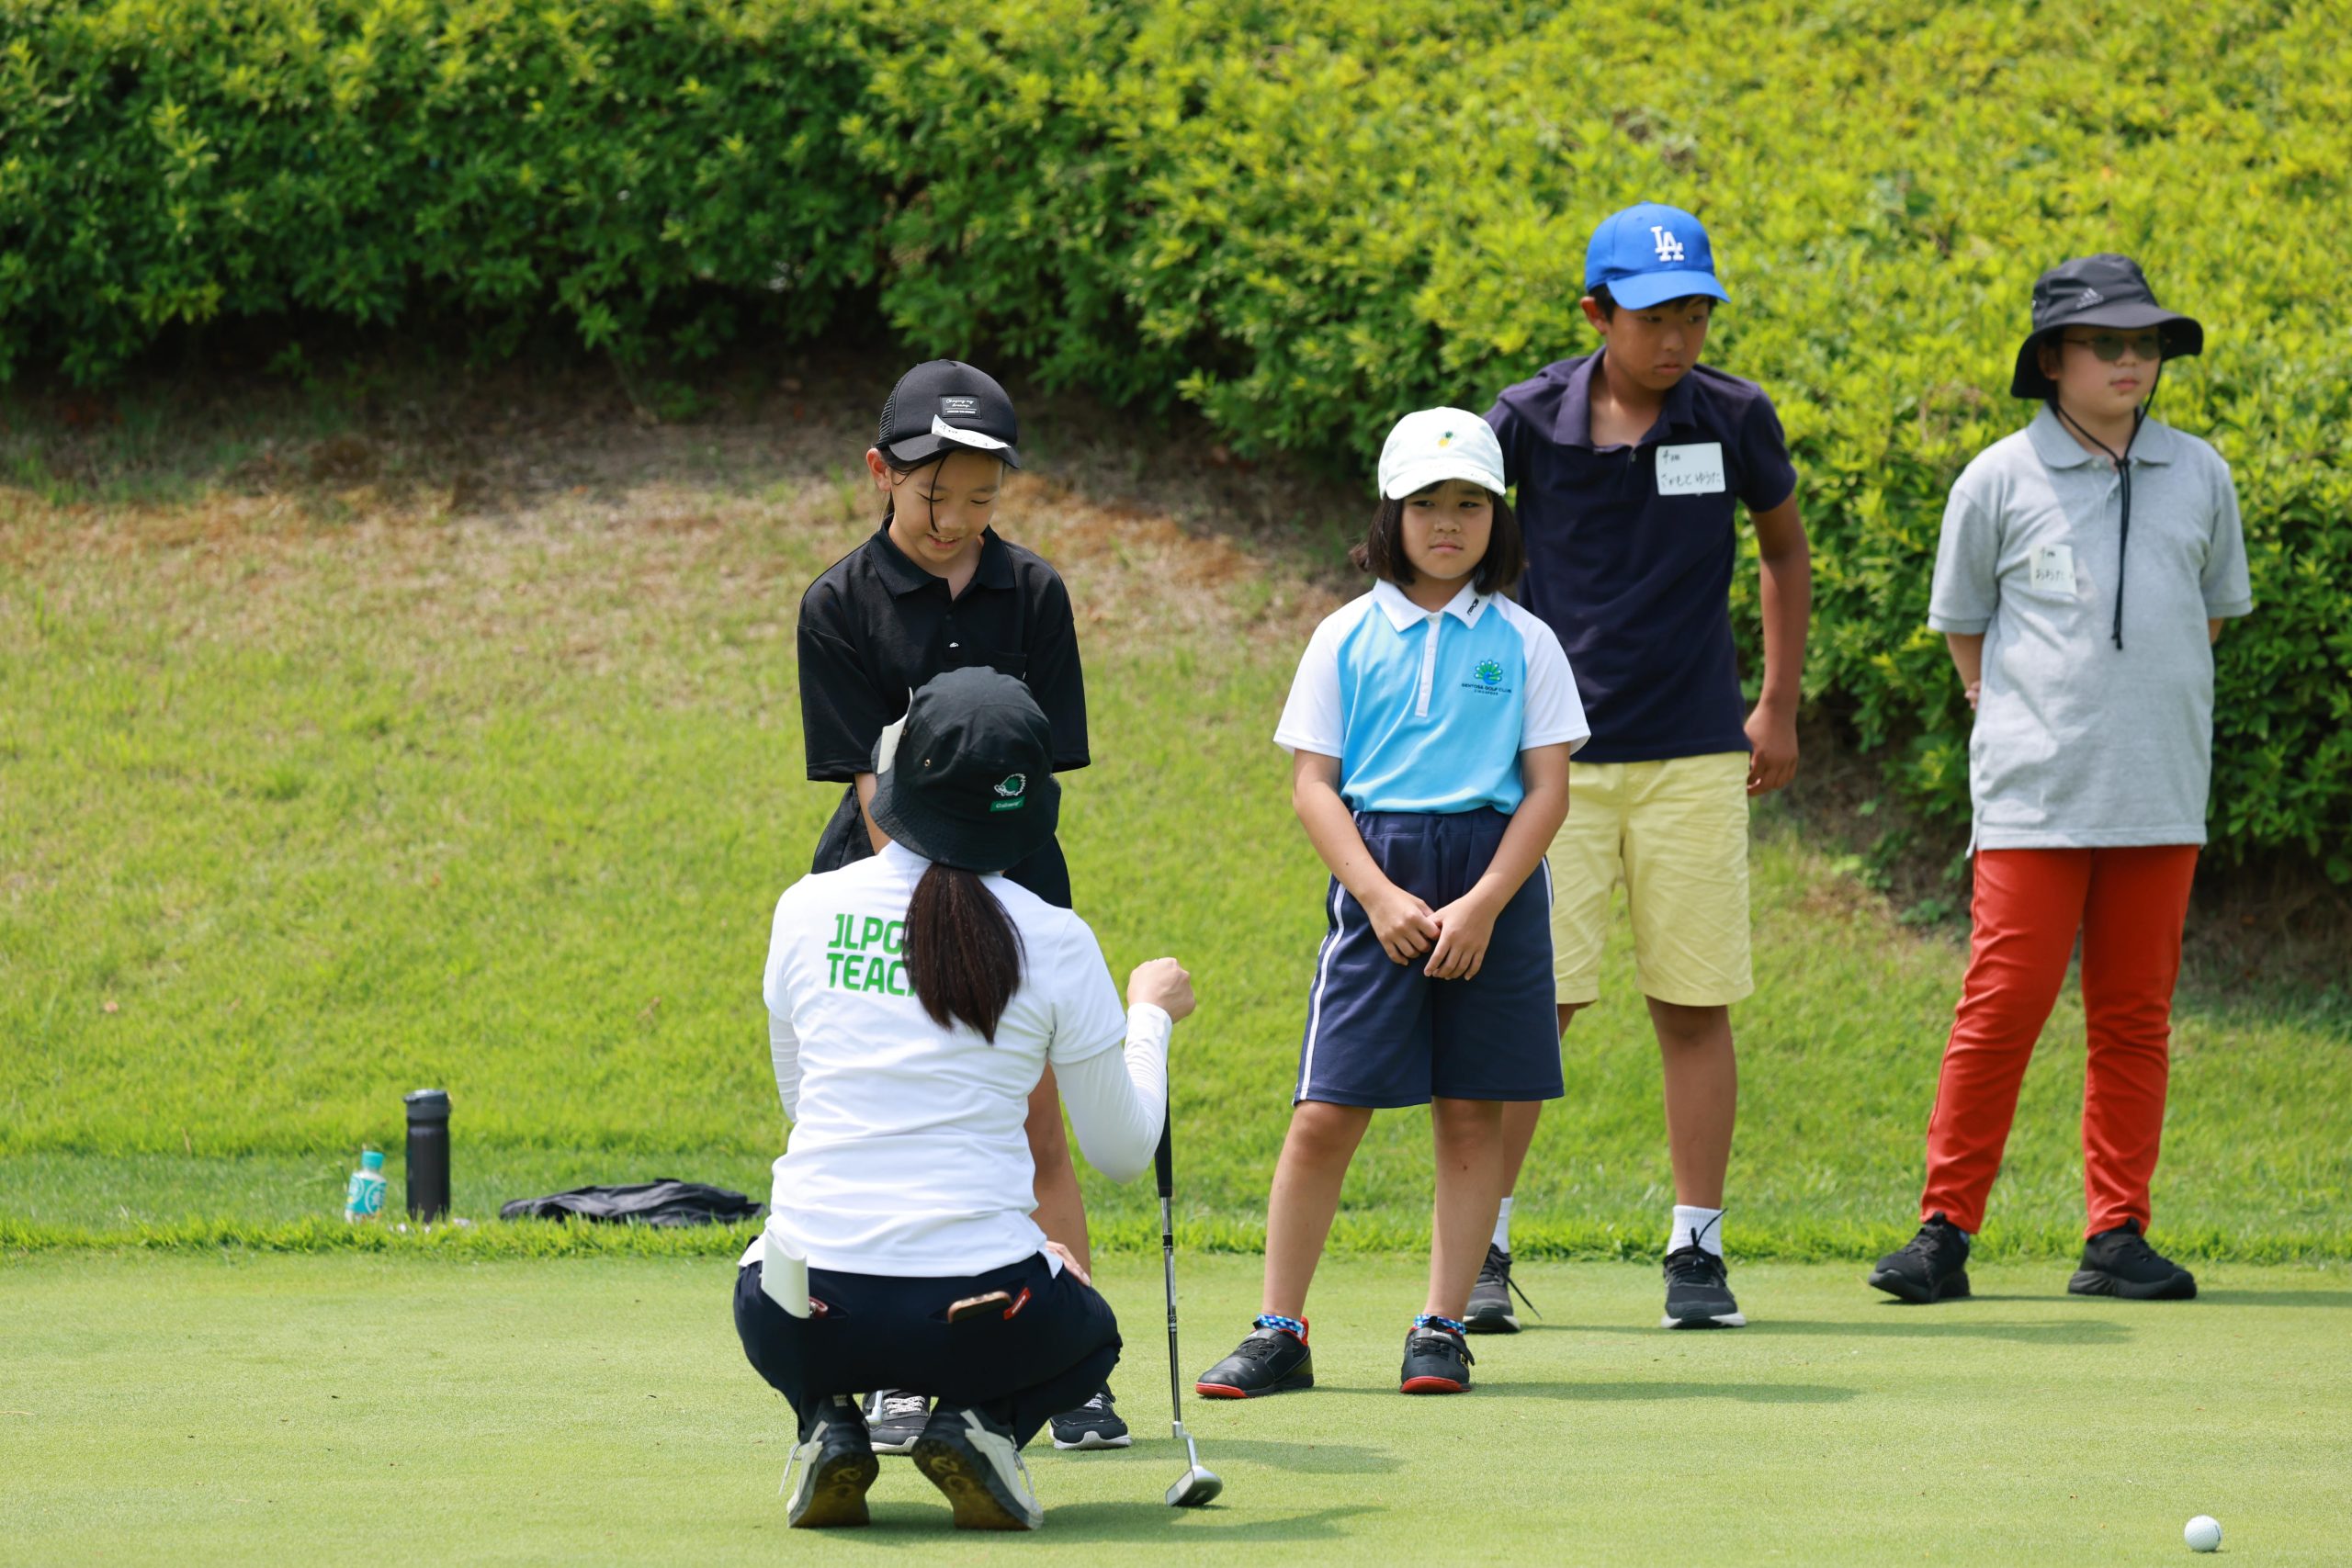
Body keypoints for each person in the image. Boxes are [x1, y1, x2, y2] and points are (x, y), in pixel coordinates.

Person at [1869, 254, 2251, 1305]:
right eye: (2107, 343)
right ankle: (1943, 1232)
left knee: (2134, 1018)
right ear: (2051, 360)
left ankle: (2116, 1235)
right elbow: (1964, 627)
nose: (2133, 361)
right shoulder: (1997, 478)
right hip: (2032, 796)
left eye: (2147, 344)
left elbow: (2209, 616)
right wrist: (2014, 711)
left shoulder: (2200, 472)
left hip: (2159, 792)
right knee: (2002, 1007)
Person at [736, 667, 1196, 1530]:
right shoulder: (1054, 936)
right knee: (1091, 1330)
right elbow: (1123, 1151)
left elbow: (801, 1101)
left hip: (800, 1311)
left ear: (898, 774)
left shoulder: (804, 908)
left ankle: (827, 1419)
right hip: (981, 1315)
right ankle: (979, 1423)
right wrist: (1150, 1014)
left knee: (763, 1276)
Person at [1194, 409, 1587, 1399]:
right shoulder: (1343, 635)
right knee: (1326, 1111)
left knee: (1471, 1112)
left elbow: (1547, 790)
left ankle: (1441, 1326)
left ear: (1498, 516)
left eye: (1469, 504)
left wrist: (1485, 903)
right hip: (1380, 881)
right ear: (1390, 514)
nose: (1447, 523)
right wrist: (1375, 894)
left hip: (1493, 885)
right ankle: (1280, 1330)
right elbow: (1313, 786)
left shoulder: (1527, 641)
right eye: (1425, 504)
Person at [1476, 202, 1812, 1332]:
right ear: (1596, 313)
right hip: (1549, 765)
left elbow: (1781, 550)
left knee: (1693, 1003)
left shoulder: (1734, 415)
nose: (1677, 339)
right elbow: (1453, 551)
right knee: (1538, 1005)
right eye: (1653, 316)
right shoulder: (1523, 419)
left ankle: (1696, 1252)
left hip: (1697, 756)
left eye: (1694, 315)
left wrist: (1775, 703)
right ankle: (1480, 1246)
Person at [793, 360, 1123, 1450]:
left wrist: (992, 908)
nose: (956, 522)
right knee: (902, 1125)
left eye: (982, 499)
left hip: (1016, 884)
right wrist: (931, 907)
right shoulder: (837, 605)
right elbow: (871, 788)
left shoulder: (1033, 594)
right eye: (937, 495)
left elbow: (1037, 774)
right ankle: (896, 1373)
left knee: (1037, 1128)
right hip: (885, 891)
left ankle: (1067, 1376)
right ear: (882, 472)